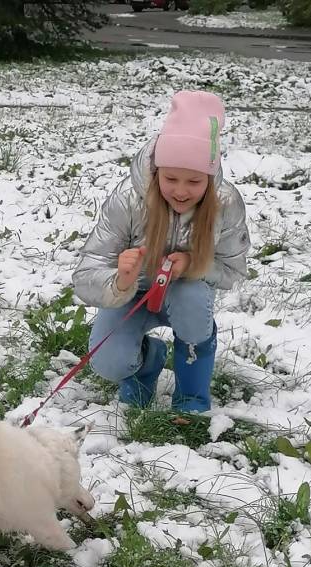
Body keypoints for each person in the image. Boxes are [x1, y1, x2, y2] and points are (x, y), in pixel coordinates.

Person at [72, 90, 250, 412]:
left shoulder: (225, 202)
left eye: (194, 182)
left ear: (209, 179)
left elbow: (233, 270)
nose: (181, 192)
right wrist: (120, 279)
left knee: (192, 299)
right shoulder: (129, 199)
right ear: (156, 171)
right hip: (133, 294)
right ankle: (148, 362)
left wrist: (194, 265)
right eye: (171, 178)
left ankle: (191, 396)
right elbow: (86, 270)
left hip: (184, 294)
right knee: (107, 361)